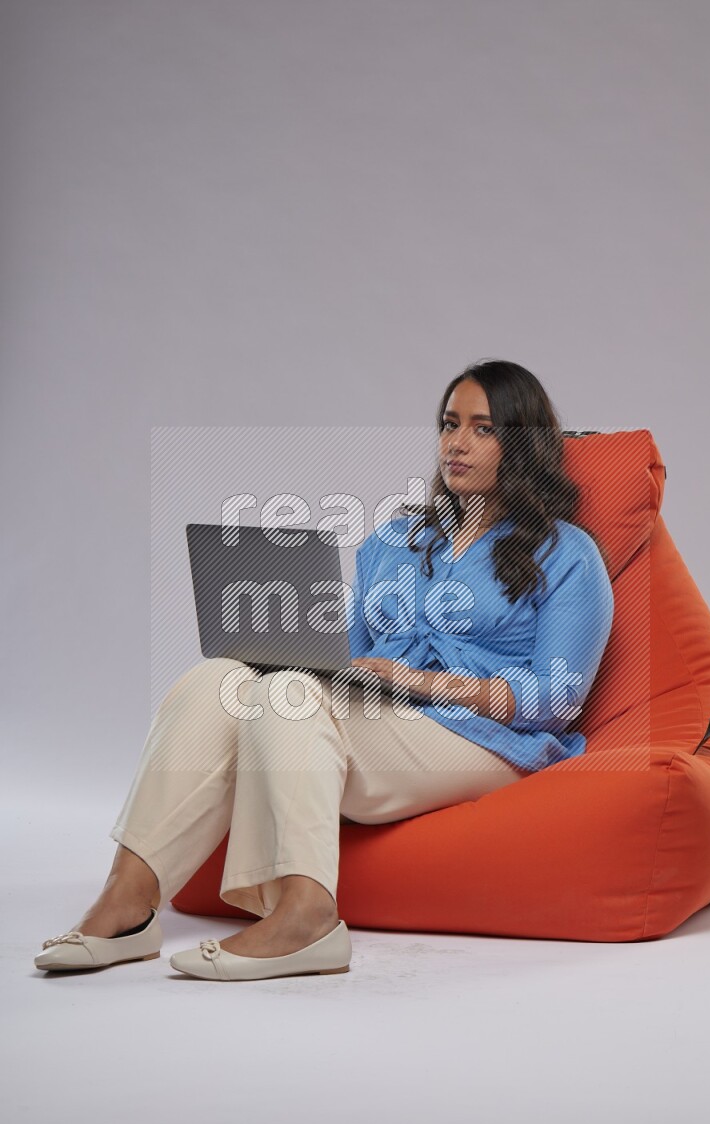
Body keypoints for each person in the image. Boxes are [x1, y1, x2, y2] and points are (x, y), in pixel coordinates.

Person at [34, 359, 614, 981]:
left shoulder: (567, 553)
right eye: (449, 425)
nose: (457, 443)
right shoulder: (395, 542)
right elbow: (350, 657)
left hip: (487, 740)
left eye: (483, 429)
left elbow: (559, 695)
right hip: (388, 723)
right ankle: (128, 900)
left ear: (522, 443)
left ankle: (306, 917)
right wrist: (315, 658)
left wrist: (424, 682)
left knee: (290, 695)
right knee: (219, 680)